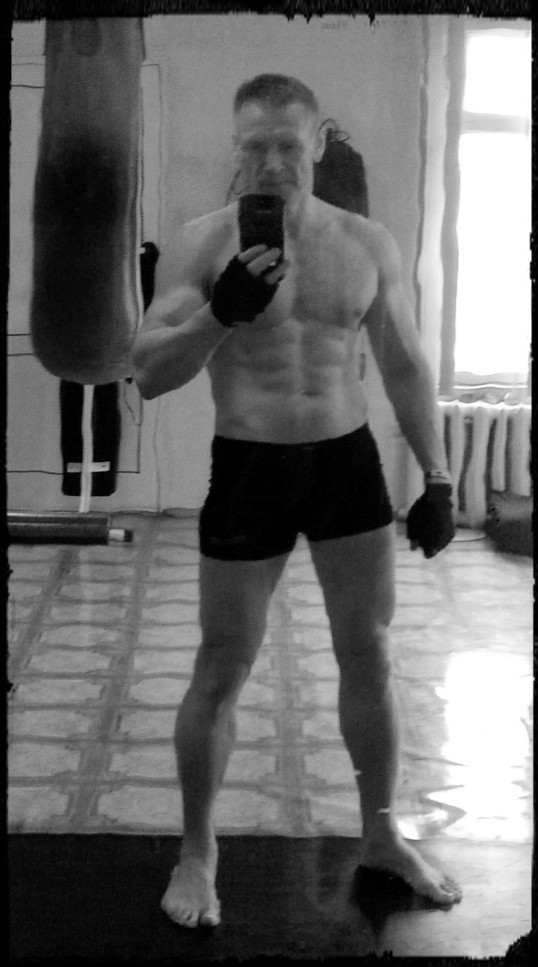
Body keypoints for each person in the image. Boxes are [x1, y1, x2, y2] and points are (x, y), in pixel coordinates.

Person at [132, 74, 461, 929]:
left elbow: (403, 364)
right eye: (255, 145)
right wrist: (219, 314)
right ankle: (197, 852)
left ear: (317, 142)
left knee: (370, 654)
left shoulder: (366, 243)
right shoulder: (202, 244)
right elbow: (149, 371)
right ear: (236, 147)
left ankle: (382, 834)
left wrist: (438, 476)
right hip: (251, 466)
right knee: (221, 666)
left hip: (346, 466)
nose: (272, 161)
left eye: (288, 143)